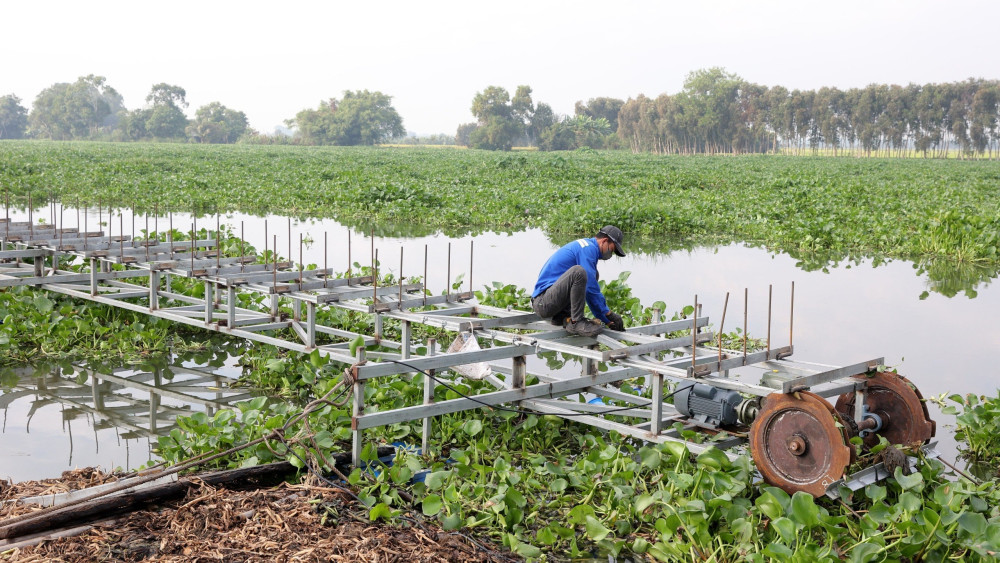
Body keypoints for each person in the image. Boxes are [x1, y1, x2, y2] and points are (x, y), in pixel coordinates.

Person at [531, 225, 626, 338]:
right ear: (604, 241)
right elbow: (591, 287)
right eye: (612, 250)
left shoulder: (587, 246)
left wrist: (606, 319)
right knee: (579, 272)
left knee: (592, 274)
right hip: (543, 302)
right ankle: (576, 322)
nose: (610, 255)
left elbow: (588, 290)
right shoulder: (588, 248)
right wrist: (608, 313)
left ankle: (562, 317)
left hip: (552, 302)